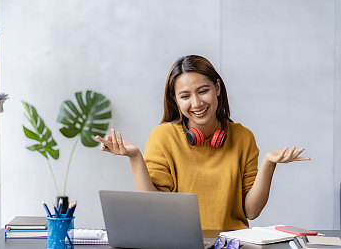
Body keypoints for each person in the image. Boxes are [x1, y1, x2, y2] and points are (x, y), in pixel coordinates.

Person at [96, 55, 310, 231]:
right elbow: (153, 208)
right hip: (179, 245)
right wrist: (135, 157)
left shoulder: (243, 137)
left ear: (217, 88)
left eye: (203, 91)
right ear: (175, 100)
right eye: (185, 96)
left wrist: (268, 164)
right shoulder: (164, 137)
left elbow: (251, 211)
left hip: (232, 244)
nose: (196, 103)